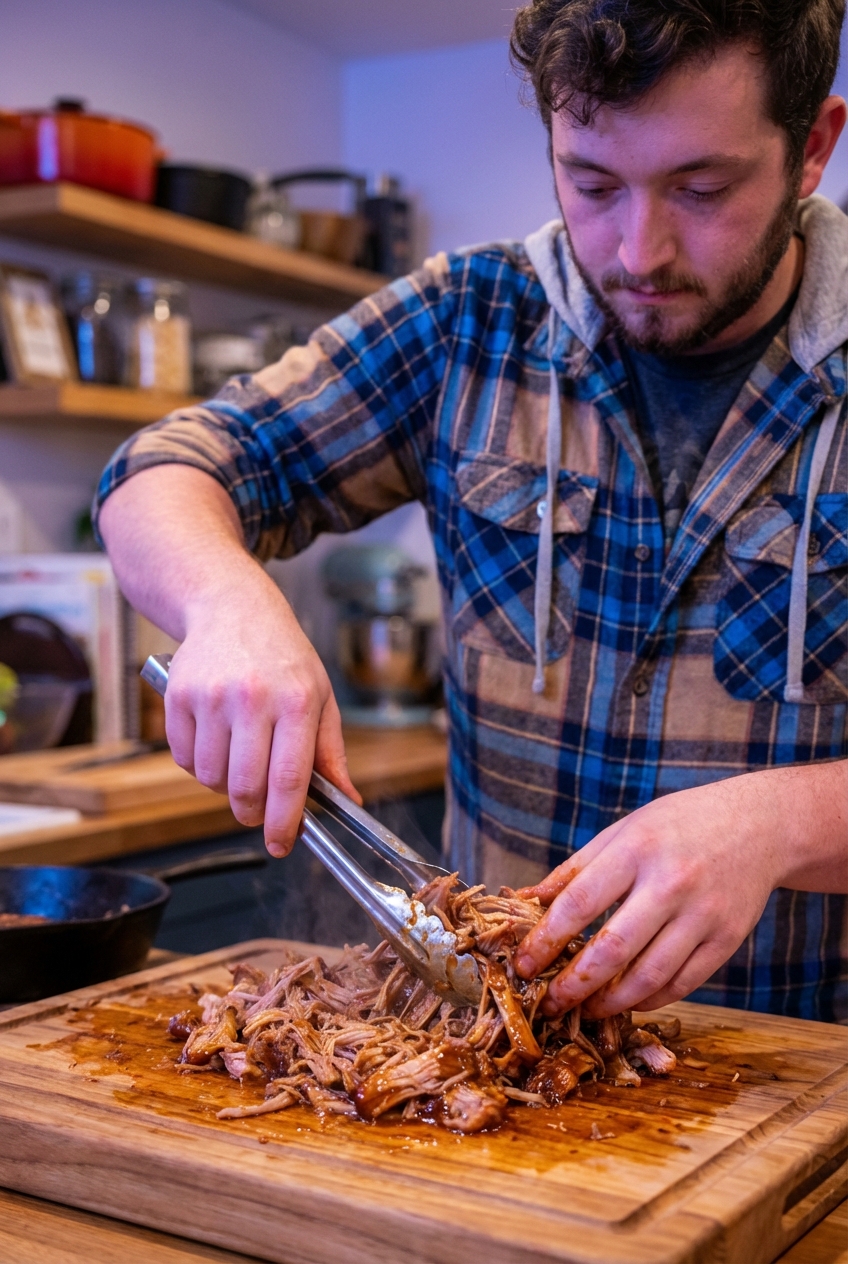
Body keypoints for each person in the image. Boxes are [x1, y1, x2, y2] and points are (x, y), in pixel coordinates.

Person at [95, 0, 848, 1024]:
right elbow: (164, 467)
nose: (639, 251)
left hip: (802, 1068)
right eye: (591, 184)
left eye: (701, 188)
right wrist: (227, 605)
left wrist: (784, 822)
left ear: (811, 148)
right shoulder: (469, 319)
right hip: (487, 1055)